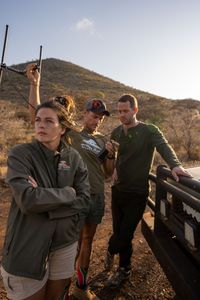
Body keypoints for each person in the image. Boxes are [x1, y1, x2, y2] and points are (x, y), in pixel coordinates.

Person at [26, 64, 118, 300]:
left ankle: (81, 286)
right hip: (75, 196)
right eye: (93, 115)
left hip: (96, 196)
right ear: (84, 113)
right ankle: (61, 289)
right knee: (70, 243)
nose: (96, 121)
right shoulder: (71, 133)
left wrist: (110, 154)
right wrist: (34, 85)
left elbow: (108, 174)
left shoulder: (102, 140)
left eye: (100, 118)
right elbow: (38, 114)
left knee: (88, 240)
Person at [0, 99, 91, 300]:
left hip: (65, 243)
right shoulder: (21, 155)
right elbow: (27, 200)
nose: (41, 125)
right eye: (38, 120)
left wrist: (44, 199)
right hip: (28, 247)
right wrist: (68, 194)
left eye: (49, 121)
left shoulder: (74, 158)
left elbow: (85, 200)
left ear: (63, 128)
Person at [104, 93, 192, 288]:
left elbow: (164, 147)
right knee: (118, 231)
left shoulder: (149, 130)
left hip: (137, 193)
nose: (122, 115)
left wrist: (175, 165)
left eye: (126, 111)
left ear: (135, 110)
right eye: (119, 111)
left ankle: (111, 249)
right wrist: (113, 162)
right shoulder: (116, 132)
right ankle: (124, 268)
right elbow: (113, 157)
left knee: (124, 235)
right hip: (118, 191)